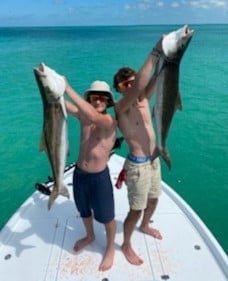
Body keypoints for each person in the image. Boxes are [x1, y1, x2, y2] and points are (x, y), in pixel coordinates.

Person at [113, 39, 163, 266]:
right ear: (120, 90)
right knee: (136, 208)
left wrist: (168, 54)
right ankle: (126, 243)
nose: (130, 89)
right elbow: (141, 82)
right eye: (125, 86)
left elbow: (155, 77)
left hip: (153, 162)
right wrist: (154, 50)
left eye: (132, 84)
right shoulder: (120, 106)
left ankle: (145, 225)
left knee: (153, 200)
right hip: (138, 166)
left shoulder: (143, 99)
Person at [64, 79, 117, 272]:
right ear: (90, 98)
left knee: (107, 217)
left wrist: (67, 87)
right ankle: (90, 235)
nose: (98, 101)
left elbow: (95, 117)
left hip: (99, 178)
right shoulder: (84, 116)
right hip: (79, 175)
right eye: (95, 97)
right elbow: (64, 105)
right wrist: (51, 89)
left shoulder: (110, 121)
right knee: (84, 210)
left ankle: (110, 248)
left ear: (108, 101)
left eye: (103, 98)